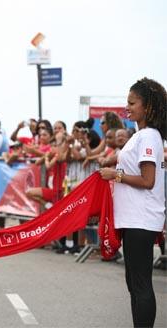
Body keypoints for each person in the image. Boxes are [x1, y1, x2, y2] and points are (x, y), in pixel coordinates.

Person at [100, 77, 166, 327]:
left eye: (132, 102)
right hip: (134, 218)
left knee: (140, 284)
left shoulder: (148, 135)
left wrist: (114, 174)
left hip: (142, 218)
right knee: (134, 283)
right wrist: (111, 161)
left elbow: (148, 180)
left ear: (147, 106)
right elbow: (130, 158)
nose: (127, 107)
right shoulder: (141, 136)